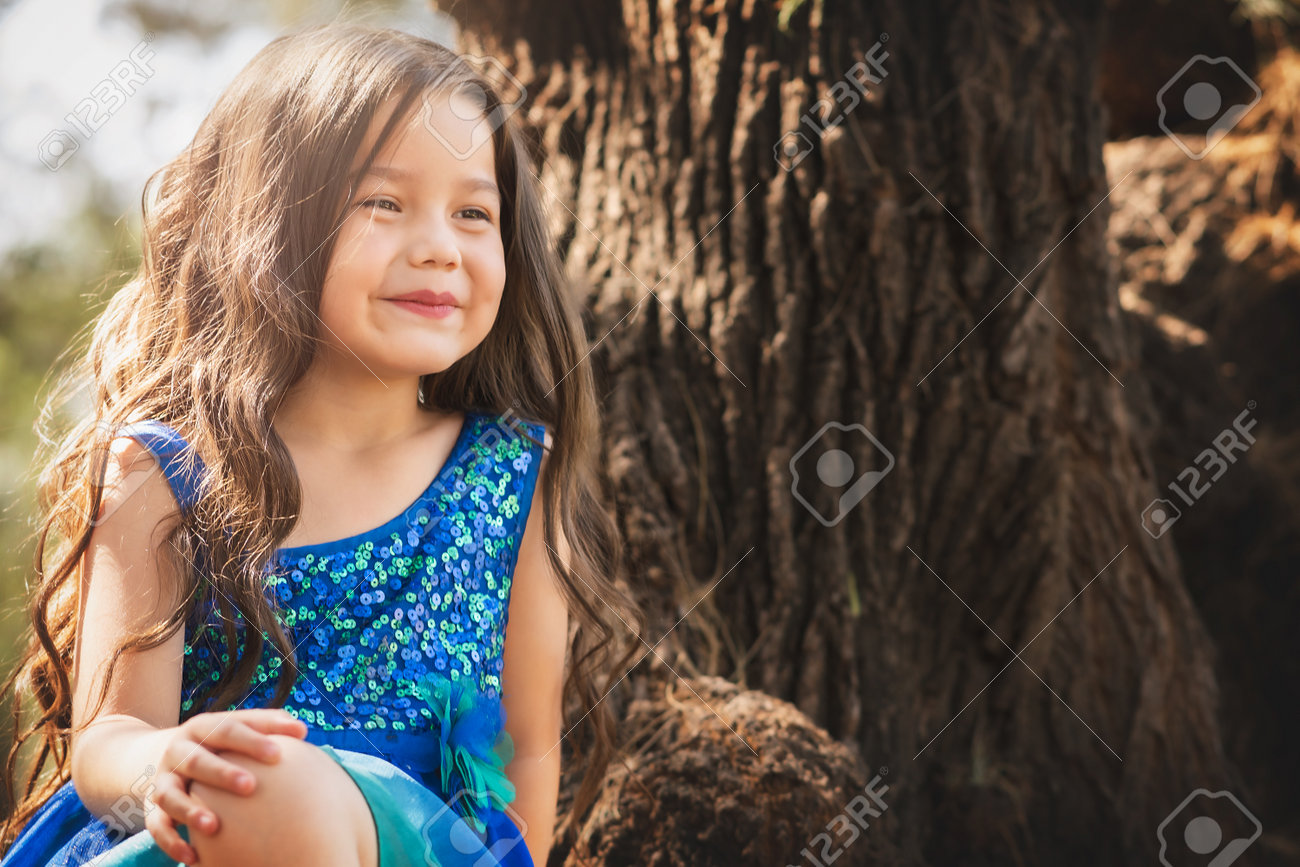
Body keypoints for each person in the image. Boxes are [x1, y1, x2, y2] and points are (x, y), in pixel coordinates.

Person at [0, 19, 643, 867]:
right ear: (271, 219)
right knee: (264, 783)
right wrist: (160, 766)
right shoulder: (164, 472)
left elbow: (527, 747)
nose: (440, 248)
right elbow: (110, 733)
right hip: (202, 833)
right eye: (384, 202)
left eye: (473, 212)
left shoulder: (512, 476)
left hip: (427, 849)